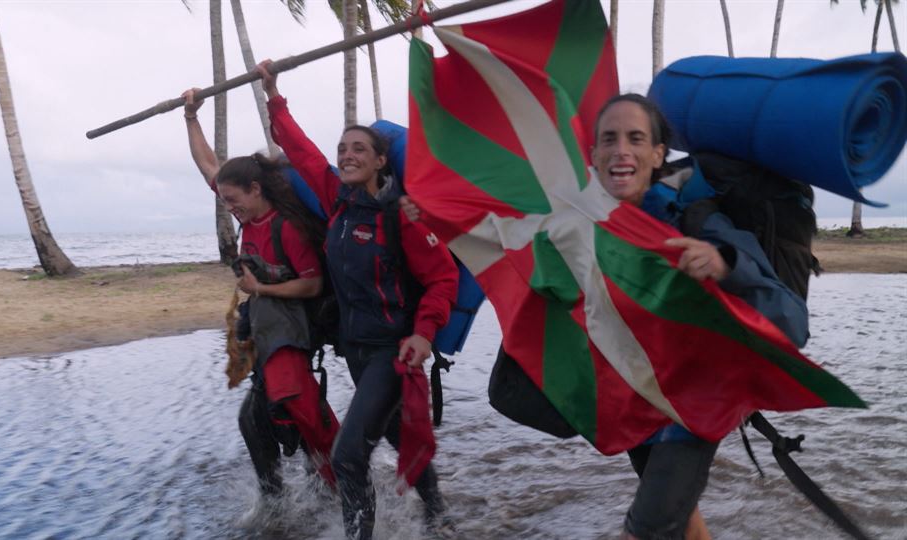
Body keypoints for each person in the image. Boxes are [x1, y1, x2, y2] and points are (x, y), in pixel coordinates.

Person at [401, 93, 809, 540]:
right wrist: (436, 214)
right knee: (685, 525)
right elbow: (501, 234)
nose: (621, 150)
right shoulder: (579, 222)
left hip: (695, 407)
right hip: (633, 400)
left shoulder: (695, 221)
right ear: (593, 155)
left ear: (658, 154)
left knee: (645, 530)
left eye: (636, 138)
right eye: (609, 139)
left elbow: (791, 321)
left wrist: (725, 265)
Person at [254, 60, 460, 539]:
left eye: (359, 149)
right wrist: (274, 98)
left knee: (347, 456)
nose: (347, 156)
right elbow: (304, 155)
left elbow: (443, 278)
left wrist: (424, 334)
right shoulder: (338, 202)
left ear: (381, 161)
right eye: (342, 149)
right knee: (395, 433)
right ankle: (439, 515)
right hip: (355, 349)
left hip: (392, 350)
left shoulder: (401, 216)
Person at [182, 89, 341, 496]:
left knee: (301, 410)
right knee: (253, 421)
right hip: (265, 333)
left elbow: (313, 284)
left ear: (255, 189)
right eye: (225, 200)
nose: (229, 207)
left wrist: (260, 287)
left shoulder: (287, 227)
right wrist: (190, 117)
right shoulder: (246, 216)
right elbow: (208, 166)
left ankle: (342, 480)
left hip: (292, 330)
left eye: (233, 200)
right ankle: (279, 498)